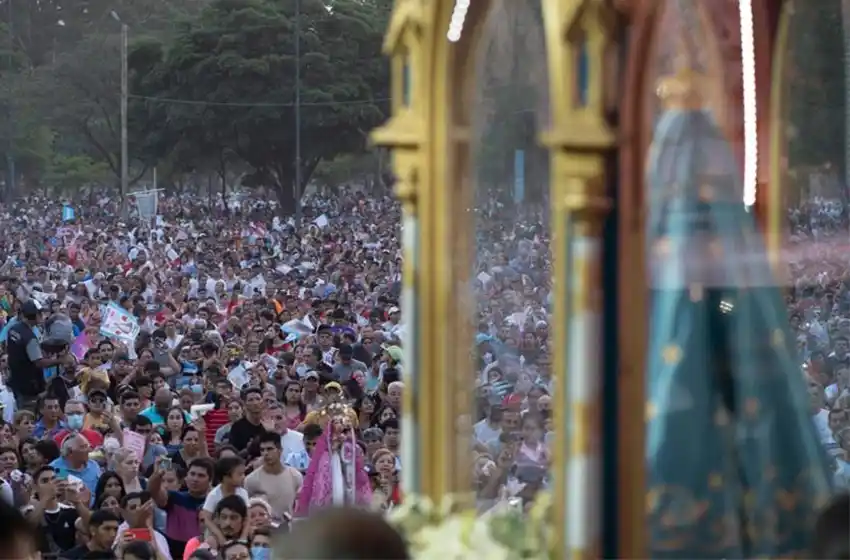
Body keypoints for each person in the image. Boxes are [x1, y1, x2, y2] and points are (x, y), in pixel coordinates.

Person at [294, 402, 372, 516]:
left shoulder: (353, 449)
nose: (339, 431)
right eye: (336, 426)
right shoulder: (323, 452)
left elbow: (359, 474)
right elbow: (319, 478)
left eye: (343, 428)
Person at [7, 300, 74, 410]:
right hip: (29, 386)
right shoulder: (30, 338)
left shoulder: (13, 329)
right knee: (29, 412)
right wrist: (60, 360)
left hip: (15, 379)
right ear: (36, 315)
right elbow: (39, 363)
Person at [245, 431, 302, 522]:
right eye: (262, 450)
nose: (265, 453)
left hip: (288, 530)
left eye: (269, 449)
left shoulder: (295, 476)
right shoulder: (251, 480)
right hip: (264, 530)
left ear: (280, 450)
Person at [200, 456, 248, 545]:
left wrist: (243, 536)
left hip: (238, 530)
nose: (243, 477)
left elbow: (247, 517)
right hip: (217, 530)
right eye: (240, 474)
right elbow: (207, 519)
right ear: (226, 476)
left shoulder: (243, 493)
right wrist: (220, 536)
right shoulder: (214, 495)